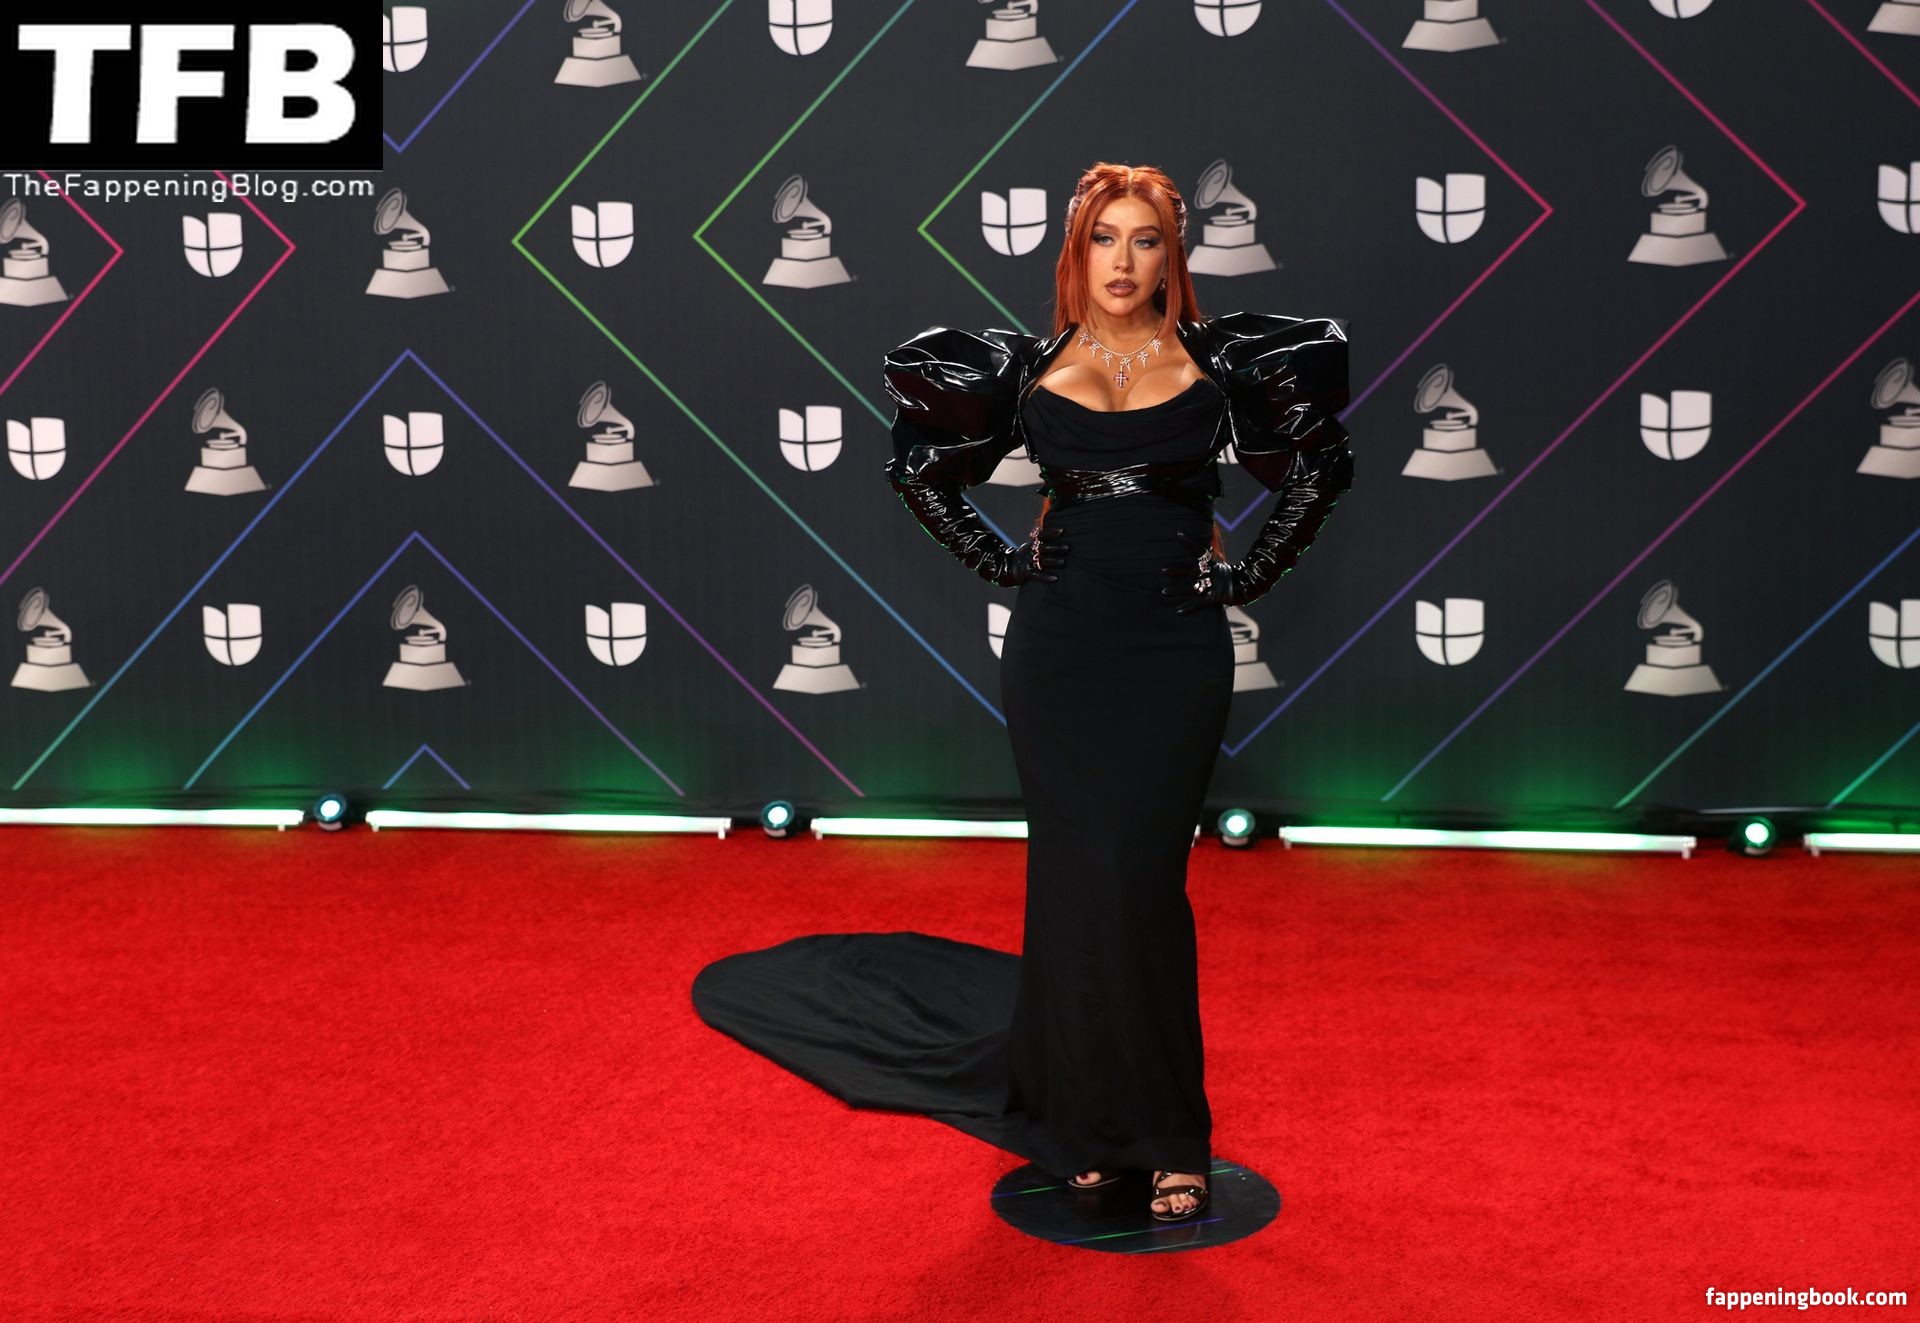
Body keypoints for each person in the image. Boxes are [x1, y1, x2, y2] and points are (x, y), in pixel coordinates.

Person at [690, 161, 1353, 1225]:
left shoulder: (1222, 364)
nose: (1124, 261)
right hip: (1059, 650)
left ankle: (1169, 1134)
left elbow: (1320, 466)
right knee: (1078, 881)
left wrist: (1248, 574)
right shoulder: (1027, 367)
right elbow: (918, 471)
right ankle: (1079, 1120)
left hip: (1175, 650)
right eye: (1105, 239)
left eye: (1145, 240)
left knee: (1144, 884)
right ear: (1076, 252)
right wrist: (1000, 561)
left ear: (1172, 256)